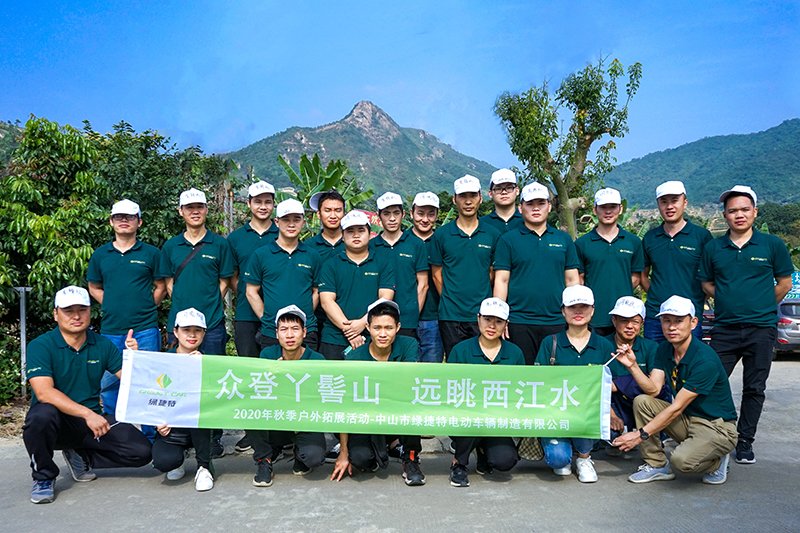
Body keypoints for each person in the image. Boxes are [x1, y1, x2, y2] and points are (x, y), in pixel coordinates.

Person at [23, 286, 152, 504]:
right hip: (57, 422)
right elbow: (44, 392)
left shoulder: (102, 344)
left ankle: (81, 456)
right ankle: (43, 477)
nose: (76, 316)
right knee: (40, 417)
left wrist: (135, 358)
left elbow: (133, 381)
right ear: (55, 314)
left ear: (90, 312)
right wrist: (87, 414)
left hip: (90, 424)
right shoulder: (41, 345)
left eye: (82, 310)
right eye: (68, 310)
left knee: (142, 451)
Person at [699, 185, 793, 464]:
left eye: (744, 209)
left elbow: (784, 283)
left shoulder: (772, 245)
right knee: (711, 383)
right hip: (725, 329)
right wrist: (727, 299)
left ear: (755, 212)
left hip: (761, 329)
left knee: (754, 388)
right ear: (725, 216)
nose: (739, 215)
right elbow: (706, 283)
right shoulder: (714, 248)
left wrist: (761, 303)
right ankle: (713, 435)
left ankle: (744, 442)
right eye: (732, 211)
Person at [613, 296, 738, 485]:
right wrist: (633, 366)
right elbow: (653, 390)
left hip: (717, 426)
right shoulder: (665, 349)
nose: (672, 327)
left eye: (679, 321)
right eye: (667, 321)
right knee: (642, 401)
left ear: (693, 323)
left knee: (681, 461)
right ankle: (656, 464)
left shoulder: (705, 360)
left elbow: (677, 407)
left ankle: (717, 460)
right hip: (689, 419)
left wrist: (640, 435)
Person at [158, 187, 234, 457]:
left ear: (206, 210)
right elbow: (169, 283)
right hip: (179, 326)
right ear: (181, 212)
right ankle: (178, 434)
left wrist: (210, 306)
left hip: (211, 324)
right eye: (189, 207)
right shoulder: (171, 246)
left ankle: (213, 437)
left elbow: (224, 281)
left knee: (211, 382)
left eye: (199, 206)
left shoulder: (219, 244)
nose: (195, 211)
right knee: (177, 382)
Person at [86, 199, 164, 440]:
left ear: (139, 222)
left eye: (129, 217)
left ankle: (152, 439)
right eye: (118, 217)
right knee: (110, 386)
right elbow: (93, 286)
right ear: (111, 222)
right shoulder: (101, 255)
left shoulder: (151, 253)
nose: (123, 221)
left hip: (145, 329)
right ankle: (117, 439)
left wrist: (147, 306)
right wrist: (110, 304)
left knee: (150, 384)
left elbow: (160, 286)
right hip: (111, 330)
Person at [330, 300, 425, 486]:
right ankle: (379, 447)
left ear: (398, 327)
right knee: (361, 459)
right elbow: (345, 406)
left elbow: (408, 383)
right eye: (377, 328)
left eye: (388, 328)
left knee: (413, 403)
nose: (382, 334)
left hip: (397, 413)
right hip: (366, 419)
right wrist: (343, 453)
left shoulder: (409, 345)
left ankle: (410, 459)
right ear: (367, 327)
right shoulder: (354, 357)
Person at [535, 285, 616, 483]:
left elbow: (612, 385)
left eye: (584, 306)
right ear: (563, 311)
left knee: (588, 414)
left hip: (587, 413)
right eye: (572, 307)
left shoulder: (604, 345)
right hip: (555, 412)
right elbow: (538, 381)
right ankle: (565, 452)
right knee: (558, 460)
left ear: (593, 310)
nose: (578, 312)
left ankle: (584, 458)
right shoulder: (550, 343)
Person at [494, 182, 580, 364]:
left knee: (556, 374)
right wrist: (500, 316)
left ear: (549, 206)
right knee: (522, 373)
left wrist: (573, 314)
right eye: (530, 204)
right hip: (519, 320)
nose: (535, 208)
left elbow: (572, 280)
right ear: (520, 208)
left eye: (541, 203)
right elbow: (501, 280)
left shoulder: (563, 239)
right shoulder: (508, 240)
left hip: (557, 320)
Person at [446, 297, 523, 487]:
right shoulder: (460, 350)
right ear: (478, 318)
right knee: (474, 416)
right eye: (487, 319)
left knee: (505, 461)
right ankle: (459, 463)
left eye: (498, 321)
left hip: (498, 420)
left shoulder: (514, 353)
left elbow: (520, 391)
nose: (492, 326)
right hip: (465, 418)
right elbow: (449, 389)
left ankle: (482, 451)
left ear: (506, 324)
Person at [250, 305, 327, 487]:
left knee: (314, 457)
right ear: (277, 334)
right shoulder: (268, 355)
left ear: (304, 332)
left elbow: (321, 399)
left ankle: (300, 454)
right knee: (249, 411)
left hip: (305, 421)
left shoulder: (317, 360)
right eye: (284, 329)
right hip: (276, 419)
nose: (290, 335)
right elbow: (259, 393)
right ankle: (264, 461)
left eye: (295, 329)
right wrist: (274, 375)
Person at [430, 175, 501, 356]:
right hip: (450, 315)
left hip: (482, 314)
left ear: (480, 198)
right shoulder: (442, 235)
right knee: (455, 362)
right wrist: (451, 299)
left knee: (482, 361)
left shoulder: (492, 234)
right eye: (463, 196)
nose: (468, 201)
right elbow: (437, 274)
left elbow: (492, 272)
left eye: (472, 195)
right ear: (455, 199)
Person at [151, 308, 215, 491]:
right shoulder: (162, 361)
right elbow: (151, 396)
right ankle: (177, 461)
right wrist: (157, 422)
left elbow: (217, 398)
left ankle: (204, 467)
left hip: (200, 428)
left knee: (199, 412)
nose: (192, 335)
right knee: (165, 461)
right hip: (172, 429)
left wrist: (204, 367)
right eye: (186, 330)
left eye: (197, 330)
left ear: (204, 333)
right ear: (176, 331)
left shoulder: (212, 362)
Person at [318, 210, 395, 360]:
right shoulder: (331, 264)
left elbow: (385, 298)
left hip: (372, 337)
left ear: (370, 233)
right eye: (350, 231)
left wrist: (363, 323)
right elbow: (327, 301)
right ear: (342, 235)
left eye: (361, 230)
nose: (356, 235)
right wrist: (350, 331)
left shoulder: (383, 263)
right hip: (334, 338)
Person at [245, 199, 321, 350]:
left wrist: (302, 316)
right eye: (286, 219)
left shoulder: (312, 255)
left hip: (306, 331)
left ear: (303, 222)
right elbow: (251, 291)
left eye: (296, 219)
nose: (291, 224)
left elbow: (317, 291)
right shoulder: (261, 254)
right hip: (272, 332)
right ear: (277, 222)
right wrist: (267, 319)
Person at [641, 181, 711, 341]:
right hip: (656, 316)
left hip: (689, 316)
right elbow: (643, 275)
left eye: (674, 201)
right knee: (655, 357)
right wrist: (656, 294)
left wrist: (697, 298)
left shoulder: (701, 237)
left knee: (688, 357)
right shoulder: (650, 238)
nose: (669, 207)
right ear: (658, 205)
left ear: (685, 202)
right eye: (664, 202)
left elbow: (710, 276)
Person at [575, 188, 644, 337]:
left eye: (612, 207)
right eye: (603, 207)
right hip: (593, 317)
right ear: (595, 210)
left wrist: (618, 290)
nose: (608, 211)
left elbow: (636, 277)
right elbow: (579, 279)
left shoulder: (633, 242)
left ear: (620, 209)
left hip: (624, 317)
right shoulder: (582, 243)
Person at [227, 181, 278, 358]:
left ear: (273, 204)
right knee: (248, 365)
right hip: (245, 314)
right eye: (258, 202)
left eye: (267, 202)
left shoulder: (282, 235)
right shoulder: (236, 238)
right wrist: (247, 292)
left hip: (278, 315)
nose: (263, 207)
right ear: (249, 203)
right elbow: (233, 276)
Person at [605, 296, 669, 435]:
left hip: (643, 405)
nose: (630, 326)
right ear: (614, 321)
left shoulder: (652, 347)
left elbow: (654, 389)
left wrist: (618, 383)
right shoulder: (602, 345)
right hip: (611, 405)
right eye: (624, 320)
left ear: (642, 323)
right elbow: (596, 386)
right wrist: (611, 415)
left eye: (635, 321)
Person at [371, 192, 429, 339]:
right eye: (386, 213)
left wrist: (413, 314)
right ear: (379, 216)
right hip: (377, 319)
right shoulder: (371, 246)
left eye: (396, 213)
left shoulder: (416, 244)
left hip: (407, 319)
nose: (392, 218)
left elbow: (423, 284)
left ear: (403, 214)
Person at [408, 191, 445, 362]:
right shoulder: (402, 240)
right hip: (404, 318)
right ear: (411, 213)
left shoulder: (442, 240)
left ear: (437, 215)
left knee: (431, 370)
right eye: (420, 213)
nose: (425, 219)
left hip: (434, 317)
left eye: (431, 214)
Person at [480, 168, 523, 233]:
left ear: (517, 191)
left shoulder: (527, 221)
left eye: (509, 188)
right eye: (498, 189)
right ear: (490, 194)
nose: (504, 192)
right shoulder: (482, 224)